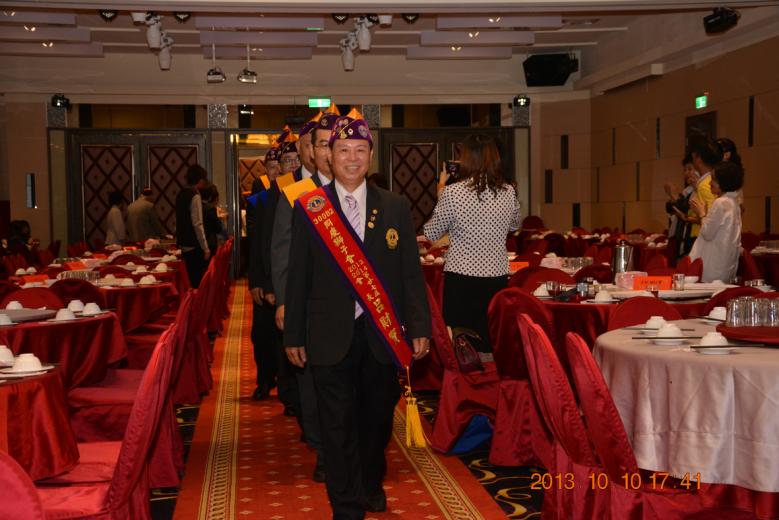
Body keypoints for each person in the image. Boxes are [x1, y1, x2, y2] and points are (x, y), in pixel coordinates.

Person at [284, 111, 431, 519]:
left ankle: (369, 481)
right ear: (328, 156)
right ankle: (346, 505)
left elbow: (410, 272)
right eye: (344, 150)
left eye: (360, 150)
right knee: (336, 425)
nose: (352, 158)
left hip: (382, 334)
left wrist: (420, 325)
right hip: (328, 333)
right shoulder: (310, 207)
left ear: (370, 156)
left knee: (376, 421)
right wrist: (293, 333)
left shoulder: (395, 206)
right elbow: (298, 275)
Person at [270, 112, 338, 483]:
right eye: (324, 145)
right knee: (313, 384)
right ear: (311, 150)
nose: (330, 153)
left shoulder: (365, 194)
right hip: (312, 308)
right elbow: (283, 253)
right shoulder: (296, 194)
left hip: (358, 308)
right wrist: (284, 302)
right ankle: (324, 449)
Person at [423, 134, 521, 352]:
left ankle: (463, 374)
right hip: (496, 276)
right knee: (490, 340)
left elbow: (432, 232)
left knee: (462, 345)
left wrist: (440, 190)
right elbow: (515, 225)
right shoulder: (508, 192)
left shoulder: (453, 192)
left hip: (461, 277)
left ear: (467, 159)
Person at [249, 147, 283, 402]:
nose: (277, 172)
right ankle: (264, 381)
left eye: (281, 167)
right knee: (262, 336)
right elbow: (255, 243)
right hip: (264, 277)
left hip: (285, 280)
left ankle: (287, 388)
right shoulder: (259, 199)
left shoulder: (297, 194)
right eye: (272, 168)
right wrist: (255, 281)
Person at [689, 161, 744, 283]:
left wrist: (702, 213)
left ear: (723, 182)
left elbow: (707, 234)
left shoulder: (720, 202)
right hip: (725, 264)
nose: (709, 182)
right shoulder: (734, 203)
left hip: (713, 266)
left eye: (713, 179)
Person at [175, 164, 210, 288]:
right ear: (200, 180)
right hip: (194, 246)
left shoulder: (180, 194)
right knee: (196, 282)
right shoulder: (195, 196)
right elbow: (197, 224)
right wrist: (205, 248)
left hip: (183, 244)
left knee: (188, 281)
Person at [665, 155, 697, 258]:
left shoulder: (702, 190)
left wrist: (674, 196)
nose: (686, 173)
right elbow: (670, 207)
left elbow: (686, 209)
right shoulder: (687, 191)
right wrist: (673, 196)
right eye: (685, 170)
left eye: (690, 169)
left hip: (693, 239)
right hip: (682, 238)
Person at [200, 183, 225, 254]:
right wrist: (219, 218)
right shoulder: (211, 209)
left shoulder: (198, 206)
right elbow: (218, 228)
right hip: (210, 243)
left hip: (199, 242)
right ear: (210, 197)